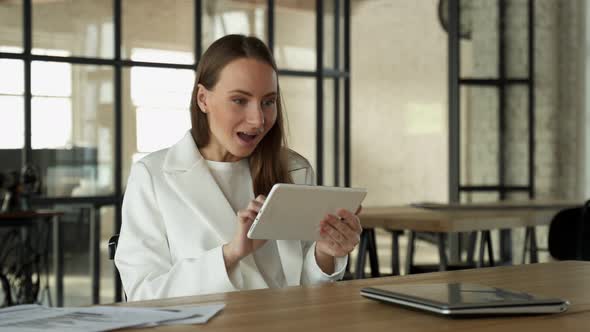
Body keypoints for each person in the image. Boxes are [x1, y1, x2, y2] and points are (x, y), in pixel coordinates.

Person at [115, 34, 362, 301]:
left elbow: (306, 290)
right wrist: (231, 254)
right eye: (239, 100)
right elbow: (143, 295)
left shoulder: (294, 169)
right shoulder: (152, 177)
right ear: (203, 99)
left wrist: (326, 252)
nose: (258, 120)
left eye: (268, 102)